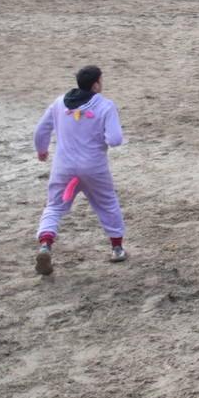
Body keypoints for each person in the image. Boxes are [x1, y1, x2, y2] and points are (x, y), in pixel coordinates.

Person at [32, 65, 128, 274]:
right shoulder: (105, 106)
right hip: (93, 168)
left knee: (54, 207)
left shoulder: (59, 102)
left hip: (63, 167)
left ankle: (46, 245)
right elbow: (115, 139)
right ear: (95, 85)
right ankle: (117, 248)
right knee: (107, 203)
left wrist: (41, 150)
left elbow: (41, 130)